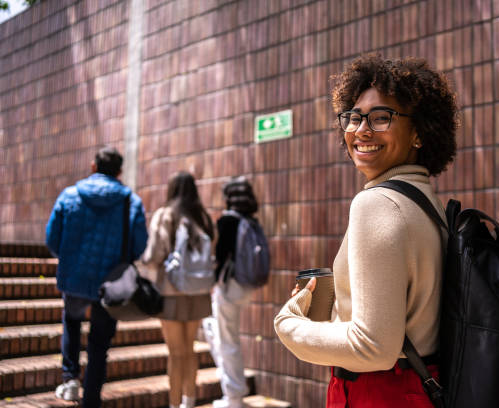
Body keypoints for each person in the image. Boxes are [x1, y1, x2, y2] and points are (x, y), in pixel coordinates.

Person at [274, 54, 458, 407]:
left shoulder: (376, 204)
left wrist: (289, 325)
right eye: (354, 117)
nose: (361, 130)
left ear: (419, 132)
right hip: (421, 390)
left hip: (377, 395)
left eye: (380, 118)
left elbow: (373, 348)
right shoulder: (428, 203)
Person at [46, 146, 148, 407]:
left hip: (75, 276)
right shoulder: (130, 201)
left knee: (71, 322)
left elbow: (52, 238)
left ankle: (69, 380)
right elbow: (139, 245)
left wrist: (69, 257)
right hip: (111, 283)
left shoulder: (70, 195)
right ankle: (91, 398)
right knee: (100, 341)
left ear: (93, 166)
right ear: (119, 172)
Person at [140, 171, 215, 408]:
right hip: (199, 291)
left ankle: (174, 404)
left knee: (175, 352)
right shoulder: (202, 218)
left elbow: (153, 255)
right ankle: (189, 401)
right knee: (190, 349)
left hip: (171, 293)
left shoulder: (165, 215)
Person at [203, 176, 260, 408]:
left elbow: (219, 256)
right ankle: (234, 391)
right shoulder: (251, 221)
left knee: (226, 340)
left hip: (228, 287)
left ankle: (233, 397)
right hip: (245, 286)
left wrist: (212, 284)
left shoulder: (227, 221)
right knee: (223, 335)